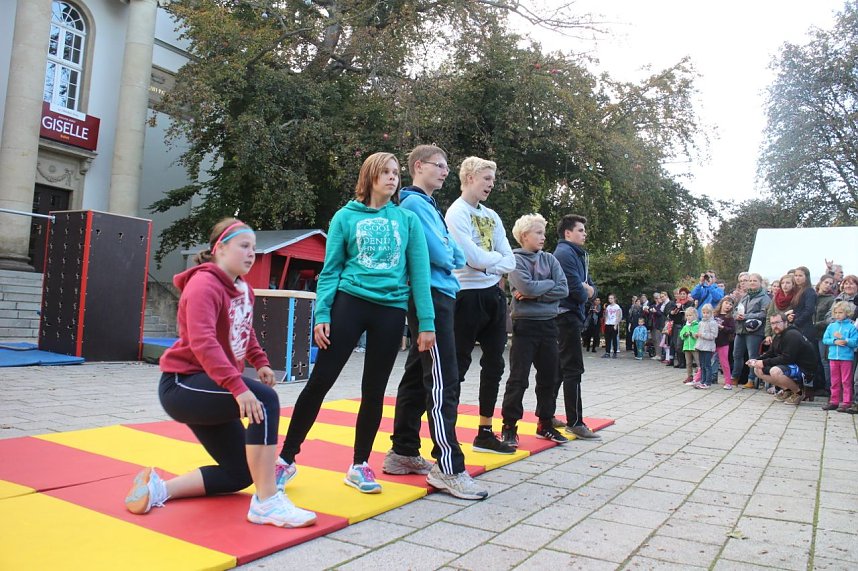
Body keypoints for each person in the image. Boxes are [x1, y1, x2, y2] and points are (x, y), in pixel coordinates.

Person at [125, 218, 317, 528]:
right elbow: (204, 342)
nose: (251, 253)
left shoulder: (243, 289)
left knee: (239, 473)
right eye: (244, 246)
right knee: (264, 402)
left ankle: (157, 489)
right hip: (183, 386)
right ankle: (267, 502)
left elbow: (245, 331)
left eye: (254, 248)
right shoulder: (204, 285)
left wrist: (261, 361)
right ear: (220, 249)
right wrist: (239, 388)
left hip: (214, 385)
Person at [280, 152, 436, 495]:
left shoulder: (407, 220)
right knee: (320, 381)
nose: (393, 178)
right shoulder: (345, 217)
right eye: (386, 172)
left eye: (396, 172)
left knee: (374, 390)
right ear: (370, 176)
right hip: (350, 303)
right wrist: (322, 314)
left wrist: (426, 322)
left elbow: (420, 274)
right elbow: (331, 270)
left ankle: (359, 465)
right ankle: (286, 459)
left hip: (391, 310)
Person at [384, 145, 487, 500]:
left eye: (447, 166)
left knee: (417, 373)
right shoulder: (413, 204)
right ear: (418, 167)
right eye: (439, 166)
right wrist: (448, 251)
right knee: (443, 379)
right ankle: (449, 466)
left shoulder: (428, 206)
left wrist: (449, 251)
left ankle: (403, 450)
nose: (445, 171)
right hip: (431, 296)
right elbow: (442, 253)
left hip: (441, 291)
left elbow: (454, 252)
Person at [445, 156, 516, 454]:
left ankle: (485, 431)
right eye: (486, 178)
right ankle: (447, 431)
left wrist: (491, 266)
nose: (491, 184)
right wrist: (493, 264)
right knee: (457, 365)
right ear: (470, 178)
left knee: (495, 364)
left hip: (493, 298)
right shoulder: (456, 212)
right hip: (465, 296)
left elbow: (510, 259)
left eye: (493, 180)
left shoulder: (492, 216)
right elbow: (469, 258)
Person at [499, 213, 569, 448]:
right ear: (524, 236)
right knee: (518, 378)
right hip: (525, 325)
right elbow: (525, 285)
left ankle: (545, 423)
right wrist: (539, 288)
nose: (543, 237)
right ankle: (509, 426)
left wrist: (533, 293)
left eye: (543, 232)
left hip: (549, 324)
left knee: (550, 375)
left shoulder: (550, 260)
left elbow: (564, 288)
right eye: (538, 232)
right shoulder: (515, 260)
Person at [553, 214, 600, 440]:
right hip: (566, 316)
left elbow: (593, 288)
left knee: (560, 369)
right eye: (580, 230)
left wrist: (588, 290)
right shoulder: (564, 254)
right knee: (572, 369)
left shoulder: (577, 255)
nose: (584, 233)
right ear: (567, 233)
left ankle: (548, 414)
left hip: (571, 315)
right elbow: (576, 289)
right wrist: (586, 291)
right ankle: (575, 422)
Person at [750, 312, 818, 405]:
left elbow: (787, 358)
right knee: (758, 370)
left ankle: (798, 393)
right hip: (792, 364)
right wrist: (757, 360)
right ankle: (788, 391)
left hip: (805, 369)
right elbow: (771, 353)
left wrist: (764, 363)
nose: (775, 326)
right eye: (773, 323)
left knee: (775, 371)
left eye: (778, 322)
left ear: (786, 322)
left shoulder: (792, 334)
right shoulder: (778, 335)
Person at [732, 273, 771, 389]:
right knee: (736, 354)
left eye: (755, 280)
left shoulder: (765, 298)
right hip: (740, 330)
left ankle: (751, 380)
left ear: (760, 283)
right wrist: (736, 316)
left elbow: (764, 314)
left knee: (752, 356)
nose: (752, 282)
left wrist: (746, 316)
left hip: (755, 332)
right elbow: (735, 310)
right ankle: (735, 377)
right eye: (750, 281)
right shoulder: (745, 297)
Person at [821, 301, 858, 413]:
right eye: (836, 312)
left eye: (840, 312)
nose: (837, 315)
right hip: (833, 357)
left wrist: (845, 339)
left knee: (846, 381)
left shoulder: (851, 327)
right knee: (835, 380)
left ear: (847, 313)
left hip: (846, 358)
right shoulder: (831, 326)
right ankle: (834, 401)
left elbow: (855, 342)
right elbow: (825, 339)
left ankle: (847, 402)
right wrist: (834, 341)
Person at [813, 275, 837, 392]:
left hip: (824, 333)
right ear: (820, 282)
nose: (828, 285)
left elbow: (830, 318)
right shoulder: (813, 296)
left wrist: (816, 324)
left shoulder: (831, 299)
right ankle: (815, 385)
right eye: (826, 282)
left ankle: (828, 387)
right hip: (811, 333)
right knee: (814, 359)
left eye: (830, 283)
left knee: (824, 361)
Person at [666, 287, 694, 368]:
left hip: (684, 326)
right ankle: (680, 361)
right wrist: (672, 312)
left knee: (680, 345)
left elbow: (689, 312)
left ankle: (684, 362)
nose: (682, 295)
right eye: (680, 294)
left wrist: (681, 307)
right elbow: (670, 314)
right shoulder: (675, 303)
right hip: (676, 325)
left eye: (684, 294)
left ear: (686, 295)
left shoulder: (689, 303)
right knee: (676, 345)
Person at [712, 297, 736, 389]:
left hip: (723, 343)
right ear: (722, 303)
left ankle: (728, 382)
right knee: (705, 361)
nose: (728, 306)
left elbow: (732, 330)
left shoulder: (729, 318)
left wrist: (722, 327)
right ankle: (697, 378)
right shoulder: (714, 315)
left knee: (724, 363)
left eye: (730, 304)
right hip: (712, 342)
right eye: (727, 303)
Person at [693, 304, 718, 389]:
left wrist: (702, 335)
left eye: (707, 313)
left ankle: (708, 382)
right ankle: (702, 381)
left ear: (711, 313)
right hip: (701, 346)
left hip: (708, 347)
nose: (705, 314)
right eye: (704, 312)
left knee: (707, 365)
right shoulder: (700, 323)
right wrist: (696, 335)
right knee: (702, 365)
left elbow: (714, 335)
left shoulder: (713, 323)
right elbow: (699, 333)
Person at [679, 307, 699, 385]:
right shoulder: (685, 326)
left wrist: (692, 334)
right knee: (688, 363)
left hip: (695, 347)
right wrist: (684, 335)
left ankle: (699, 375)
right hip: (687, 347)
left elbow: (698, 335)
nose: (688, 317)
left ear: (694, 316)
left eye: (690, 315)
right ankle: (689, 376)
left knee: (698, 362)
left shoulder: (697, 325)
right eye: (687, 315)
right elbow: (681, 335)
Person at [602, 294, 622, 358]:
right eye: (609, 298)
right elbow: (607, 316)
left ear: (614, 299)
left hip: (614, 324)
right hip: (608, 324)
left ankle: (615, 352)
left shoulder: (617, 307)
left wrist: (616, 324)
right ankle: (607, 352)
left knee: (614, 339)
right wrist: (605, 323)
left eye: (611, 298)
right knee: (607, 339)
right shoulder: (608, 307)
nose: (610, 300)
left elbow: (619, 316)